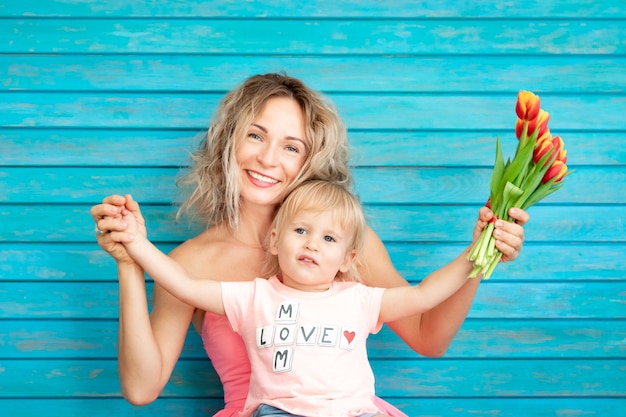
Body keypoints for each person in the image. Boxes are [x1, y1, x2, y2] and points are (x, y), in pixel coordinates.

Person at [91, 73, 529, 416]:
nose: (267, 159)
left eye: (291, 147)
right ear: (229, 142)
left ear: (310, 160)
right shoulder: (189, 262)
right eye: (256, 135)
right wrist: (130, 262)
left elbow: (428, 337)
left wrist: (482, 257)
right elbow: (141, 388)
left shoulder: (344, 246)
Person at [116, 179, 478, 417]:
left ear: (348, 260)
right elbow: (184, 285)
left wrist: (478, 252)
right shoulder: (252, 297)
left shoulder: (360, 299)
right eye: (301, 231)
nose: (312, 244)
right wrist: (135, 246)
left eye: (329, 239)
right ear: (275, 241)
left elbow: (424, 294)